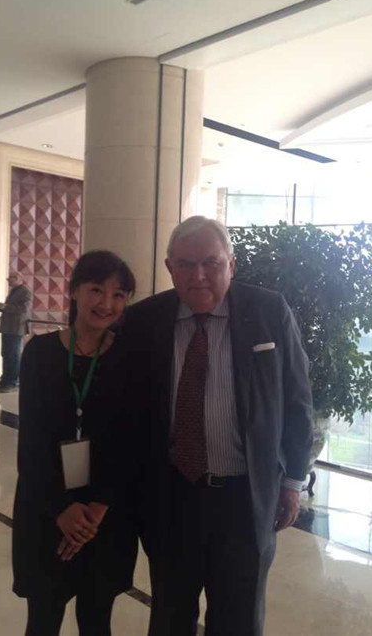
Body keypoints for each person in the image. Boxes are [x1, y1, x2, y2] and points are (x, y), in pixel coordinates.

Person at [124, 216, 313, 636]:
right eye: (186, 264)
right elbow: (127, 412)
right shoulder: (144, 321)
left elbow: (297, 400)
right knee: (170, 617)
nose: (199, 275)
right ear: (170, 267)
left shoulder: (269, 311)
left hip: (245, 499)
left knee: (238, 620)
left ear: (231, 263)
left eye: (211, 262)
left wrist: (292, 482)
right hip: (171, 498)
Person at [12, 250, 138, 636]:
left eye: (118, 294)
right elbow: (32, 442)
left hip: (107, 515)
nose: (106, 303)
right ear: (74, 291)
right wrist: (62, 509)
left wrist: (95, 511)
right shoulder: (39, 353)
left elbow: (131, 443)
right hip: (46, 508)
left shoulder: (131, 358)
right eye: (96, 289)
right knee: (43, 619)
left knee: (96, 621)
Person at [0, 272, 32, 393]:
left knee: (13, 356)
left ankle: (13, 382)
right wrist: (2, 308)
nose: (8, 280)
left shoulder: (25, 292)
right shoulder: (13, 291)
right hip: (7, 327)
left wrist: (6, 307)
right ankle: (4, 381)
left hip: (15, 328)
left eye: (11, 278)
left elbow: (24, 309)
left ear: (18, 279)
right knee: (6, 354)